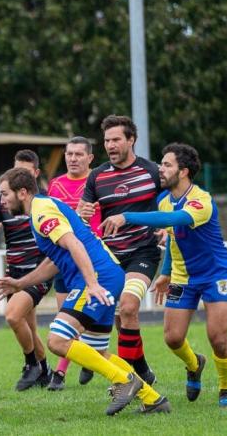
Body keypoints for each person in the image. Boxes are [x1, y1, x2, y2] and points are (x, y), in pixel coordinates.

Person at [0, 168, 170, 415]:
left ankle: (125, 381)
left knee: (58, 340)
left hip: (98, 277)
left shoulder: (41, 212)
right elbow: (54, 260)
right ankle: (154, 400)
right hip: (105, 275)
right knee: (96, 352)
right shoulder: (43, 208)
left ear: (22, 192)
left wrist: (92, 284)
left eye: (4, 193)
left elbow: (74, 243)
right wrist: (21, 284)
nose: (1, 200)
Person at [100, 143, 227, 408]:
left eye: (167, 165)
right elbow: (173, 238)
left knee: (218, 339)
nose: (160, 169)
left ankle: (226, 389)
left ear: (183, 171)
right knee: (172, 338)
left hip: (214, 274)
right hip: (183, 277)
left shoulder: (201, 200)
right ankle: (195, 365)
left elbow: (175, 220)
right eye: (161, 164)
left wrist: (126, 216)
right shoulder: (164, 201)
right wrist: (165, 273)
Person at [76, 115, 161, 386]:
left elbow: (172, 203)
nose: (110, 145)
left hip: (143, 253)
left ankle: (131, 381)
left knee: (127, 307)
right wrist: (81, 212)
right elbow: (82, 217)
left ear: (131, 140)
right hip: (110, 258)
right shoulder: (97, 176)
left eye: (116, 140)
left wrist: (165, 226)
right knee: (121, 319)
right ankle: (143, 369)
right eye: (106, 141)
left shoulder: (152, 172)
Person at [0, 150, 52, 391]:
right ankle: (44, 371)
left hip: (37, 273)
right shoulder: (4, 200)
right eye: (15, 169)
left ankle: (31, 364)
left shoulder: (43, 204)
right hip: (15, 274)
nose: (18, 175)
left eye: (24, 171)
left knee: (12, 315)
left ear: (34, 175)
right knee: (28, 328)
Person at [45, 136, 99, 391]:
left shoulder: (98, 183)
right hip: (63, 260)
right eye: (69, 154)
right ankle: (71, 365)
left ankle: (60, 373)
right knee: (64, 317)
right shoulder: (55, 185)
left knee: (92, 319)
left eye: (79, 154)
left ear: (90, 158)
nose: (73, 159)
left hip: (92, 259)